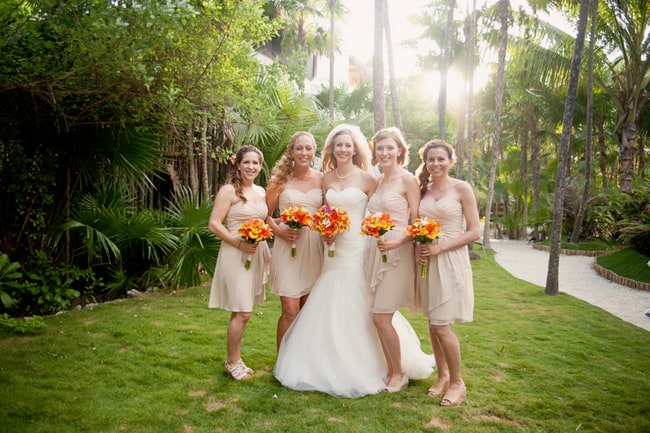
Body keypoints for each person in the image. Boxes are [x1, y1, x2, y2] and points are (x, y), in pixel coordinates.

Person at [274, 124, 433, 398]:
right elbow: (325, 212)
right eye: (339, 145)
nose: (343, 149)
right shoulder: (326, 179)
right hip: (333, 247)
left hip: (359, 246)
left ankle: (381, 363)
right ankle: (324, 360)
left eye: (348, 145)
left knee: (362, 300)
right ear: (331, 150)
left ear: (355, 148)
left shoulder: (370, 180)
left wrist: (394, 237)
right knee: (330, 294)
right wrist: (326, 232)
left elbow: (378, 211)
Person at [414, 139, 481, 406]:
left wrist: (441, 247)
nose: (436, 163)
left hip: (450, 258)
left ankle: (457, 382)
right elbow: (418, 225)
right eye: (431, 159)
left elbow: (475, 231)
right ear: (426, 162)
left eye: (441, 159)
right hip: (427, 261)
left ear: (451, 161)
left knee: (442, 325)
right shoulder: (424, 191)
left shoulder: (462, 189)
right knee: (432, 321)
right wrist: (420, 245)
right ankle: (442, 376)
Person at [366, 127, 422, 392]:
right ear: (374, 152)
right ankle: (391, 368)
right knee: (378, 314)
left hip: (397, 252)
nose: (385, 152)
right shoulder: (376, 181)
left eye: (390, 148)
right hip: (375, 249)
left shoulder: (408, 180)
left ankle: (398, 372)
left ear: (400, 150)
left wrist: (399, 241)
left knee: (381, 316)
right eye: (380, 148)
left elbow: (419, 222)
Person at [208, 145, 271, 381]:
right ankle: (231, 361)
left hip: (256, 253)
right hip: (236, 253)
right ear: (238, 164)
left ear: (260, 166)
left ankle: (236, 358)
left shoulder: (261, 191)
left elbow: (264, 220)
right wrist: (238, 243)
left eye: (255, 163)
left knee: (244, 309)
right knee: (242, 311)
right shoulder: (228, 191)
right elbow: (214, 224)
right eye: (247, 163)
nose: (251, 167)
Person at [265, 131, 324, 350]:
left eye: (308, 148)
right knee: (290, 310)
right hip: (287, 247)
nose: (304, 152)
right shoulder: (280, 181)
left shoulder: (321, 179)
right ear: (290, 151)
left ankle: (302, 359)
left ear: (314, 150)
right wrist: (279, 232)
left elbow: (327, 213)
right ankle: (282, 359)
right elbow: (265, 214)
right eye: (299, 148)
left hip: (314, 249)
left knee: (307, 310)